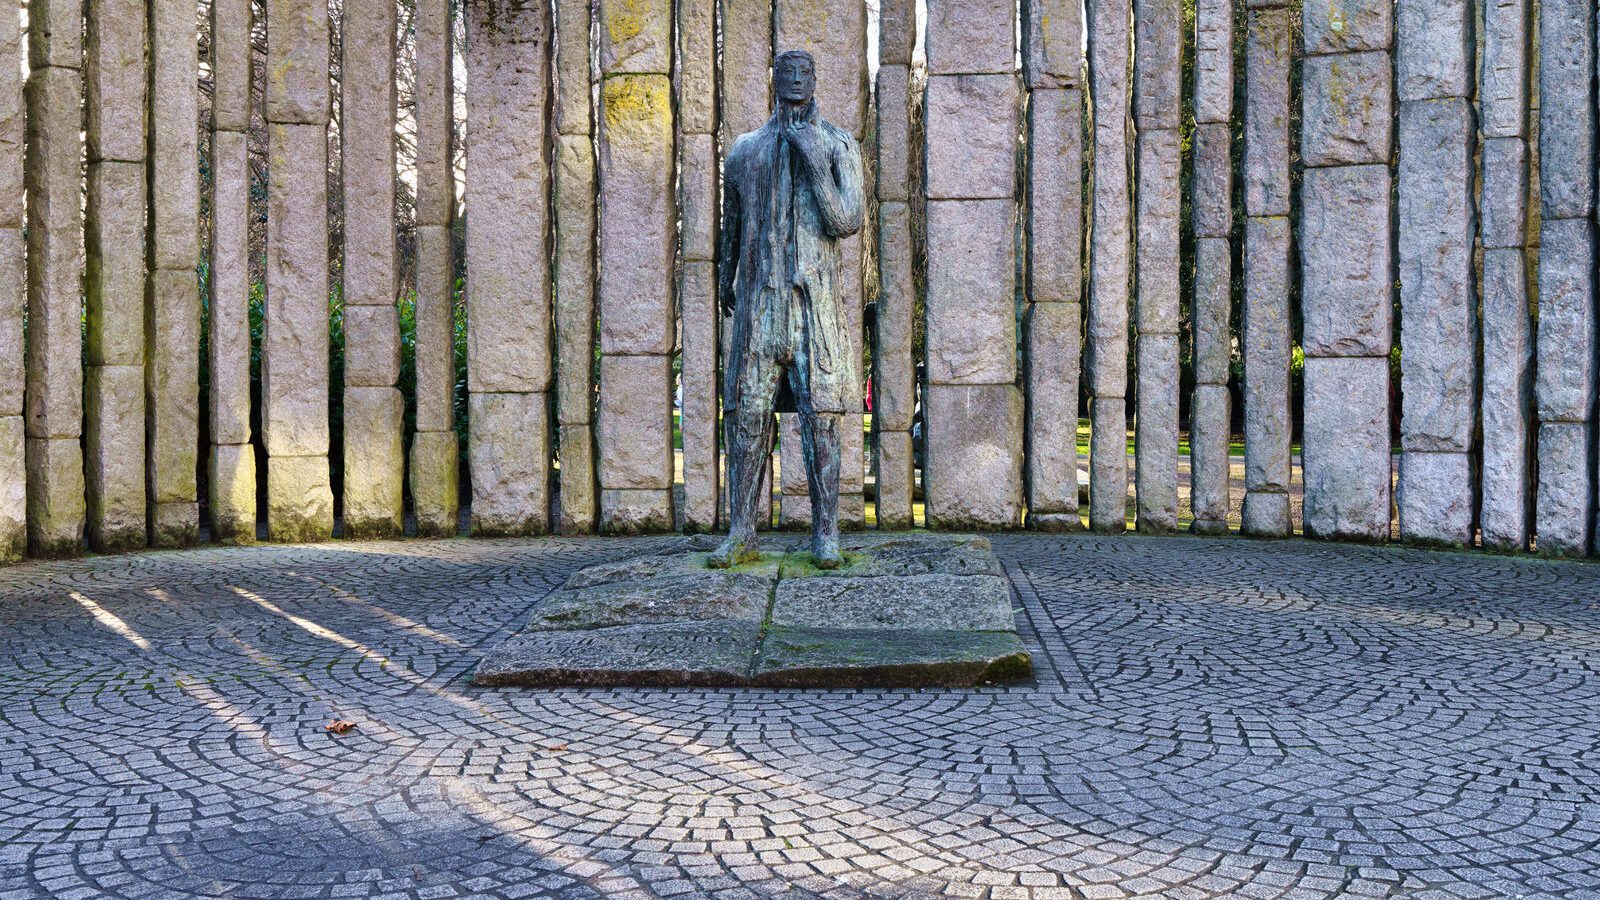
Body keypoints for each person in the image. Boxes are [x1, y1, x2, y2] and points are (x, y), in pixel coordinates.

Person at [709, 50, 864, 570]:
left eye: (805, 71)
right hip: (759, 303)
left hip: (813, 307)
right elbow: (733, 220)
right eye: (787, 71)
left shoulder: (840, 144)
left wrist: (815, 161)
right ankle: (741, 532)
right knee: (747, 413)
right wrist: (726, 273)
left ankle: (826, 534)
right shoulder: (746, 149)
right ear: (774, 78)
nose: (796, 79)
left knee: (821, 418)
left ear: (816, 79)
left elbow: (847, 220)